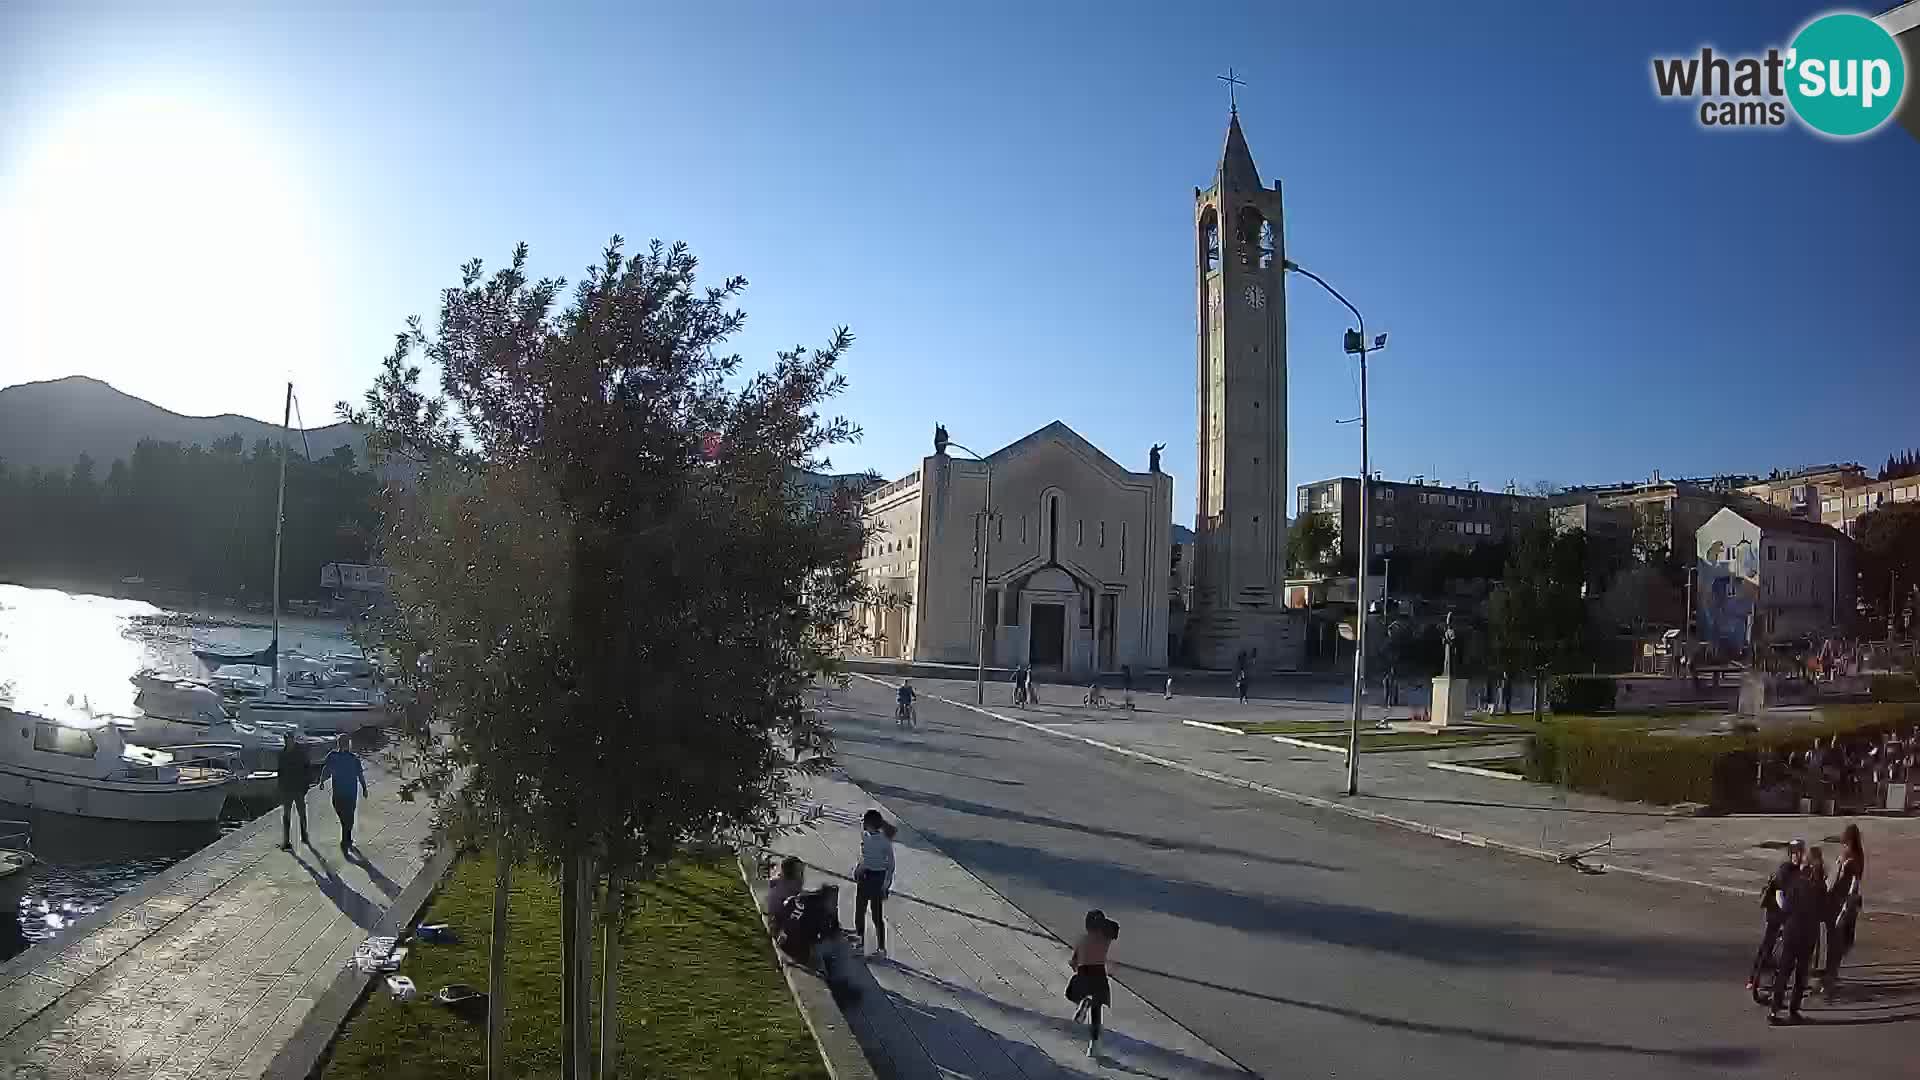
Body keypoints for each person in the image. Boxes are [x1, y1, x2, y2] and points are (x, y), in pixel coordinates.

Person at [1770, 846, 1827, 1024]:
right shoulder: (1819, 886)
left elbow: (1786, 906)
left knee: (1784, 971)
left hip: (1792, 930)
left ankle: (1774, 1010)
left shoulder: (1795, 881)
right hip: (1808, 933)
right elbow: (1823, 912)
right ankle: (1793, 1011)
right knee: (1801, 974)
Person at [1748, 838, 1804, 992]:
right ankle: (1754, 978)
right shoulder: (1785, 869)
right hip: (1775, 909)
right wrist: (1786, 911)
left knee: (1783, 941)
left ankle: (1778, 972)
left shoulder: (1801, 870)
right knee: (1768, 943)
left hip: (1787, 909)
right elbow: (1779, 894)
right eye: (1795, 853)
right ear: (1791, 854)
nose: (1798, 856)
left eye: (1800, 852)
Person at [1066, 909, 1120, 1058]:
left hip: (1084, 973)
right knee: (1097, 1012)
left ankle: (1082, 1000)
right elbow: (1114, 928)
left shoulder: (1082, 939)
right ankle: (1093, 1046)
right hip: (1099, 975)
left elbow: (1073, 963)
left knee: (1070, 993)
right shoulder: (1106, 938)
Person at [1823, 824, 1866, 996]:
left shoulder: (1853, 859)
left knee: (1836, 943)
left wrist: (1844, 910)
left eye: (1845, 842)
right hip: (1837, 903)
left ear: (1849, 841)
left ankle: (1830, 978)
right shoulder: (1850, 856)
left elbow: (1853, 886)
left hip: (1842, 905)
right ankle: (1830, 975)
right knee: (1836, 943)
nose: (1844, 845)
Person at [850, 809, 896, 957]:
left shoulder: (880, 840)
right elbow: (865, 855)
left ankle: (872, 945)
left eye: (865, 821)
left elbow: (889, 864)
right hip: (870, 876)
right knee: (867, 913)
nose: (862, 823)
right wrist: (859, 867)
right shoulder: (870, 836)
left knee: (869, 913)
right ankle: (870, 944)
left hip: (873, 877)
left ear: (869, 824)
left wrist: (886, 884)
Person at [320, 734, 370, 854]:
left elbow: (360, 775)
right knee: (346, 818)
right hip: (342, 793)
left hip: (348, 793)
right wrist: (321, 781)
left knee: (348, 818)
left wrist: (364, 788)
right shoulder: (333, 756)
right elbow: (326, 769)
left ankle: (346, 840)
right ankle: (346, 837)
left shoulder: (353, 758)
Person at [276, 733, 313, 850]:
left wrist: (306, 786)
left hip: (298, 788)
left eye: (290, 740)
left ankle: (304, 835)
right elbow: (280, 772)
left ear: (293, 740)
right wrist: (280, 786)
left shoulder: (300, 753)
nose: (288, 742)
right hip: (286, 789)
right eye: (286, 740)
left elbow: (307, 769)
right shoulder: (282, 754)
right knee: (286, 815)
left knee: (301, 813)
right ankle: (286, 841)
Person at [766, 856, 806, 927]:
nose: (802, 877)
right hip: (781, 922)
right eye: (800, 872)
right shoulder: (792, 887)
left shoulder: (777, 881)